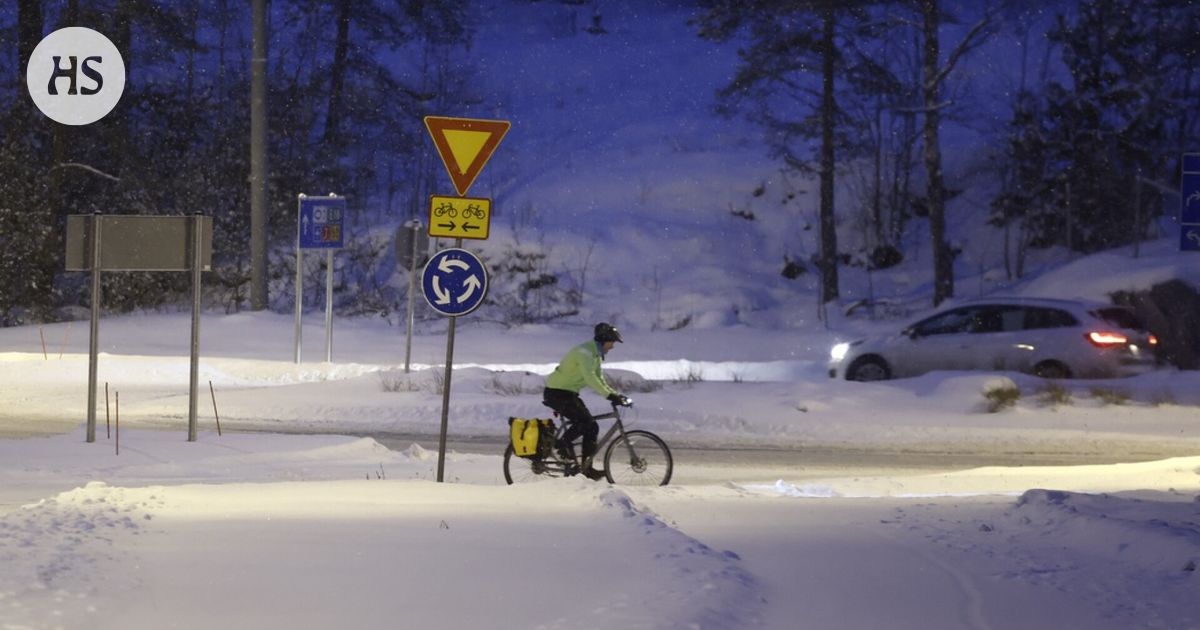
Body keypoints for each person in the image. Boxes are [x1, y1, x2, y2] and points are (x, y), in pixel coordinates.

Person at [543, 322, 632, 481]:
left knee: (592, 427)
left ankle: (586, 469)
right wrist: (609, 396)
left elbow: (600, 379)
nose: (612, 347)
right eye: (611, 342)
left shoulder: (595, 354)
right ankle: (562, 444)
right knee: (585, 423)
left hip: (568, 393)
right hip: (556, 393)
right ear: (604, 339)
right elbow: (590, 378)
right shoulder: (584, 353)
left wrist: (615, 395)